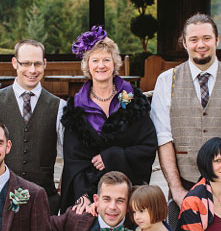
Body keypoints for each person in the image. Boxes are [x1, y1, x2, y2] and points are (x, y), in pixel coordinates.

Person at [149, 13, 221, 208]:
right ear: (184, 43)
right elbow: (163, 137)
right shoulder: (166, 81)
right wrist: (177, 190)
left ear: (217, 40)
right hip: (185, 188)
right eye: (193, 39)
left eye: (206, 38)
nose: (200, 45)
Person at [60, 26, 157, 211]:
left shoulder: (134, 101)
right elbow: (74, 160)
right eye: (95, 60)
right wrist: (83, 198)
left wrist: (113, 156)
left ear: (115, 63)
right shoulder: (75, 108)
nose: (101, 65)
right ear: (87, 65)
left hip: (129, 190)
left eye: (106, 59)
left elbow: (148, 146)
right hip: (89, 193)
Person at [0, 39, 65, 211]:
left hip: (45, 201)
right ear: (14, 63)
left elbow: (69, 156)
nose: (32, 70)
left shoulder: (60, 107)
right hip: (1, 201)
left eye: (37, 64)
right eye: (26, 63)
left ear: (44, 64)